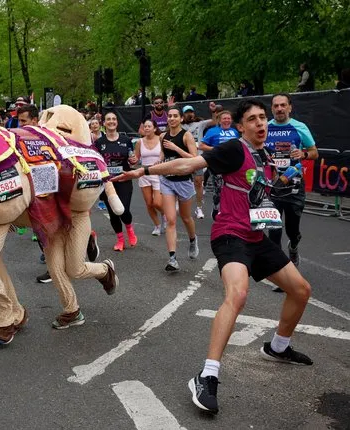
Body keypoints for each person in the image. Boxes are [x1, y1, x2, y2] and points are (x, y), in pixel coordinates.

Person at [113, 98, 313, 415]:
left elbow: (265, 184)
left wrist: (287, 177)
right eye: (253, 119)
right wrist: (142, 171)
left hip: (256, 235)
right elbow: (188, 165)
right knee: (238, 293)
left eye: (263, 118)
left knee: (301, 290)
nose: (261, 123)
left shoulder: (267, 153)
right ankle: (207, 376)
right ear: (240, 126)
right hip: (230, 234)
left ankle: (278, 347)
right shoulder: (235, 149)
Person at [265, 93, 318, 278]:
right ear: (272, 108)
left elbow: (314, 152)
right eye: (276, 106)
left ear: (290, 107)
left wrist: (303, 155)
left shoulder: (299, 127)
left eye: (283, 105)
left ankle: (293, 247)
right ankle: (282, 272)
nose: (279, 109)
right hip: (273, 185)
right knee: (274, 229)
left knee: (292, 230)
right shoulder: (265, 128)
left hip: (295, 184)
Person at [157, 107, 199, 271]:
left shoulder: (186, 135)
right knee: (171, 219)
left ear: (181, 119)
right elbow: (163, 156)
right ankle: (172, 258)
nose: (172, 118)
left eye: (175, 116)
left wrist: (177, 149)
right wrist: (157, 163)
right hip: (167, 180)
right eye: (170, 116)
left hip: (184, 181)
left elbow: (195, 159)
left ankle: (192, 239)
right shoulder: (162, 136)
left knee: (186, 217)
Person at [95, 112, 138, 251]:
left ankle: (130, 229)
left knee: (123, 209)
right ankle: (120, 240)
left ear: (117, 123)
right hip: (108, 183)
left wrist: (134, 160)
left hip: (124, 179)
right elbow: (95, 161)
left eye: (114, 119)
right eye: (108, 119)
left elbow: (132, 158)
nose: (111, 121)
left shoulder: (126, 140)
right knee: (113, 212)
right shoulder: (99, 143)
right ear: (104, 123)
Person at [182, 104, 216, 220]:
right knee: (180, 181)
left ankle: (199, 207)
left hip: (197, 158)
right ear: (183, 115)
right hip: (183, 157)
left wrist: (213, 111)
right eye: (187, 112)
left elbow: (215, 121)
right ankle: (178, 203)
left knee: (198, 182)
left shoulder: (200, 124)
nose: (189, 114)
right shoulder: (180, 126)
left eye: (191, 112)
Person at [134, 119, 164, 235]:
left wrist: (161, 160)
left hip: (157, 173)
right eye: (145, 126)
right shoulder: (139, 142)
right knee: (149, 203)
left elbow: (164, 154)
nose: (146, 128)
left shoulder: (161, 139)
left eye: (149, 126)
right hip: (144, 173)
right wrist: (133, 160)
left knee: (157, 203)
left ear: (155, 128)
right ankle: (157, 225)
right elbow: (136, 159)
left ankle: (165, 214)